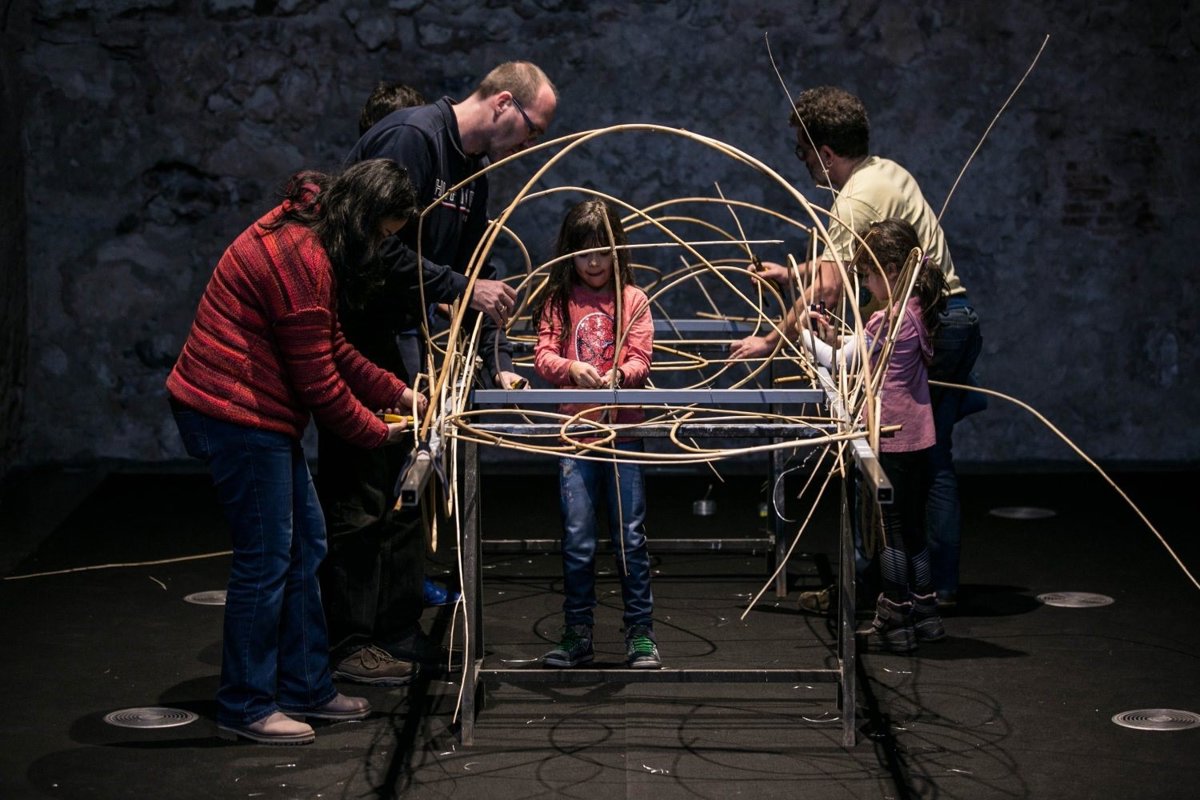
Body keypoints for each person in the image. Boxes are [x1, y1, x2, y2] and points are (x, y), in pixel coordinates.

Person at [166, 159, 427, 744]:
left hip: (254, 411)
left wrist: (398, 393)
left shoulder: (314, 226)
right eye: (382, 235)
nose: (380, 249)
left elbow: (331, 344)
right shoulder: (302, 259)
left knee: (307, 544)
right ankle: (246, 704)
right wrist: (378, 432)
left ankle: (306, 686)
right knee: (266, 559)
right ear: (363, 219)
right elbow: (319, 384)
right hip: (231, 411)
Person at [317, 62, 559, 683]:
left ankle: (396, 631)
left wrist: (493, 351)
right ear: (502, 103)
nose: (531, 144)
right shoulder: (413, 139)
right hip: (360, 332)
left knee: (407, 485)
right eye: (532, 129)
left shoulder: (473, 172)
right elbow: (371, 243)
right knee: (361, 491)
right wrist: (459, 287)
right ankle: (349, 641)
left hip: (407, 338)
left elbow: (468, 266)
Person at [731, 86, 983, 611]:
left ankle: (890, 589)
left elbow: (826, 290)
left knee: (893, 461)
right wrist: (793, 274)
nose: (803, 162)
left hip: (926, 328)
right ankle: (927, 587)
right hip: (952, 320)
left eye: (803, 151)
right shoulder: (885, 172)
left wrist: (771, 340)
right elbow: (846, 264)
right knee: (930, 459)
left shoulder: (854, 199)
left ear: (825, 152)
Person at [803, 218, 947, 651]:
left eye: (867, 274)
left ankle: (896, 618)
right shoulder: (917, 312)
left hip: (893, 437)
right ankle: (926, 612)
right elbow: (860, 350)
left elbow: (841, 360)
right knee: (914, 527)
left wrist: (805, 338)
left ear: (891, 269)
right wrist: (836, 339)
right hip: (920, 437)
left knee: (890, 531)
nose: (863, 284)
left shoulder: (890, 320)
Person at [533, 198, 660, 669]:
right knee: (578, 538)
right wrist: (571, 368)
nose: (593, 262)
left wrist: (619, 376)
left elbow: (641, 358)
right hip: (577, 436)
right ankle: (577, 632)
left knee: (630, 537)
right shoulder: (557, 301)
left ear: (616, 250)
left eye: (602, 252)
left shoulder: (634, 300)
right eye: (584, 252)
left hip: (623, 435)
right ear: (570, 253)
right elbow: (543, 355)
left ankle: (640, 633)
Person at [353, 79, 461, 611]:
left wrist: (434, 296)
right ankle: (375, 603)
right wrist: (445, 286)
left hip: (405, 329)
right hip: (375, 335)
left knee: (412, 457)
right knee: (377, 472)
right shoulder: (359, 230)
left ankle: (403, 584)